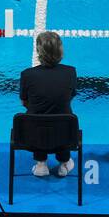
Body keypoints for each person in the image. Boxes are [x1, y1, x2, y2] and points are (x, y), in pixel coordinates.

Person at [19, 31, 78, 178]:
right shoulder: (70, 72)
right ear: (60, 50)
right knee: (61, 114)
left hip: (33, 135)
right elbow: (69, 97)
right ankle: (64, 163)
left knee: (37, 114)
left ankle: (41, 164)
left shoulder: (27, 74)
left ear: (39, 52)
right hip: (65, 135)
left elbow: (24, 101)